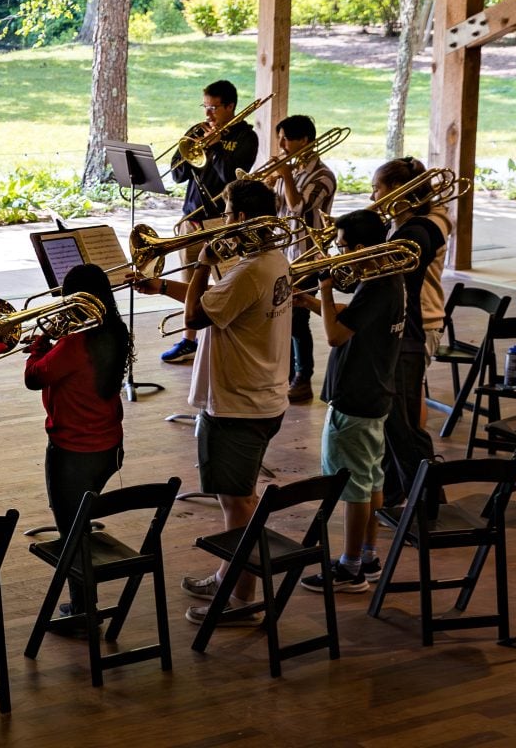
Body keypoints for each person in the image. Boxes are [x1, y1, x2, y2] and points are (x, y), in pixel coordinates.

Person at [135, 178, 291, 627]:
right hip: (258, 396)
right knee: (235, 499)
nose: (221, 220)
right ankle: (229, 572)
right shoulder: (272, 259)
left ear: (241, 219)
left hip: (239, 404)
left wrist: (202, 262)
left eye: (226, 211)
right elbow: (218, 304)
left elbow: (197, 315)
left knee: (238, 502)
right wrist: (160, 287)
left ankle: (240, 600)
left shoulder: (250, 270)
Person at [292, 210, 405, 594]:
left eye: (341, 247)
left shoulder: (376, 283)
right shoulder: (388, 276)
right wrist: (308, 302)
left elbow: (336, 336)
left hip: (355, 397)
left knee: (351, 487)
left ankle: (350, 567)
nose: (337, 254)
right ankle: (368, 557)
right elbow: (353, 318)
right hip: (374, 392)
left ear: (359, 248)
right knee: (371, 481)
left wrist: (323, 287)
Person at [22, 263, 128, 623]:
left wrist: (39, 343)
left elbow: (34, 376)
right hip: (108, 446)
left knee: (71, 531)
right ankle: (85, 604)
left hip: (74, 451)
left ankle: (84, 610)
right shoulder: (114, 330)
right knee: (81, 523)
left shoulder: (76, 341)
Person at [161, 79, 260, 365]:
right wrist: (192, 147)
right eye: (205, 106)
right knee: (191, 284)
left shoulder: (245, 137)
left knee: (229, 284)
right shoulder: (197, 131)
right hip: (192, 218)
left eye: (214, 107)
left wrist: (215, 148)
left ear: (230, 106)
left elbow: (232, 175)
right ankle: (189, 340)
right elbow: (178, 176)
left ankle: (233, 340)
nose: (208, 114)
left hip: (222, 219)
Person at [370, 158, 447, 507]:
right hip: (402, 327)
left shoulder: (420, 230)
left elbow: (389, 274)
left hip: (419, 326)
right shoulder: (401, 225)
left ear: (399, 193)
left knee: (402, 423)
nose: (373, 195)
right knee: (392, 419)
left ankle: (430, 501)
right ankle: (395, 489)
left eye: (377, 188)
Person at [268, 115, 339, 404]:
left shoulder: (323, 176)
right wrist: (268, 184)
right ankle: (283, 372)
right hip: (286, 253)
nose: (281, 145)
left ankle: (303, 377)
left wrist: (284, 176)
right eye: (280, 138)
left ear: (305, 141)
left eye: (286, 138)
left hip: (310, 255)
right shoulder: (292, 171)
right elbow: (275, 211)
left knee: (298, 317)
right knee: (282, 315)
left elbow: (299, 208)